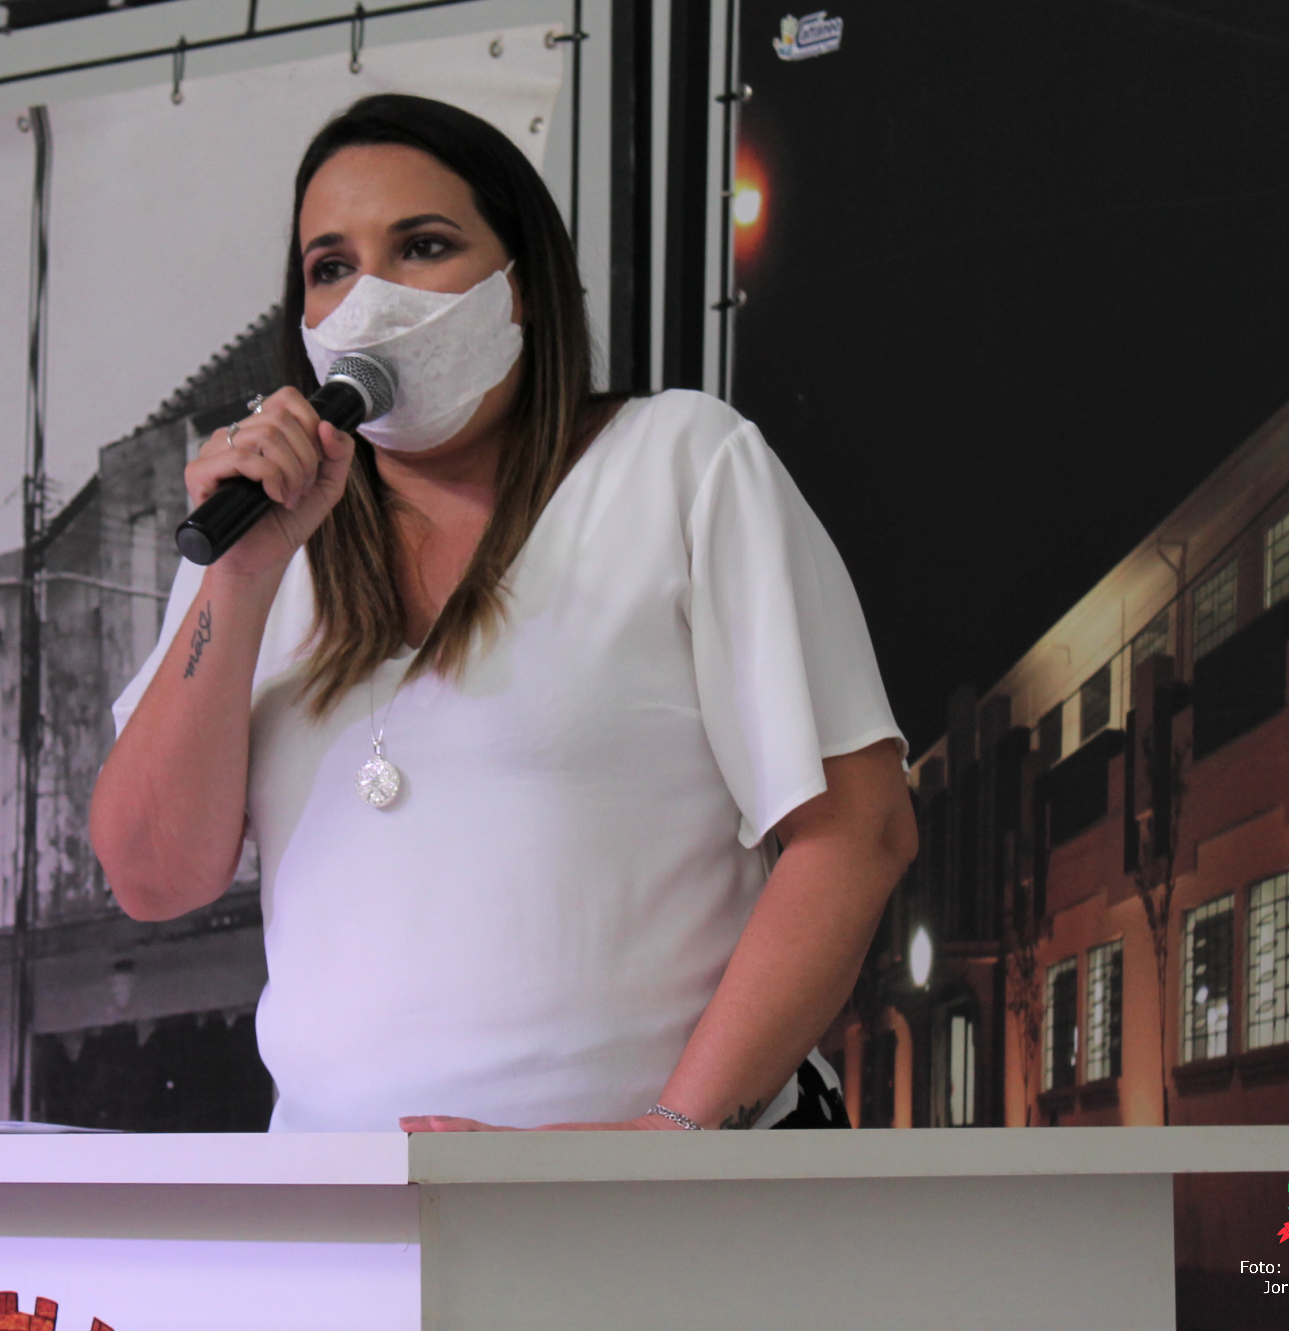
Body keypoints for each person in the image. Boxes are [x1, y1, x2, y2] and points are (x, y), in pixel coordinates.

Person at [89, 94, 917, 1134]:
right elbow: (151, 876)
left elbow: (857, 830)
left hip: (658, 1201)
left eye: (423, 246)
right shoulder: (262, 536)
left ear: (521, 283)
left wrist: (663, 1145)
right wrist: (239, 578)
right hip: (350, 1206)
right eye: (331, 266)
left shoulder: (678, 462)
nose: (370, 299)